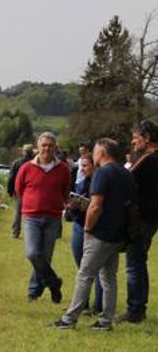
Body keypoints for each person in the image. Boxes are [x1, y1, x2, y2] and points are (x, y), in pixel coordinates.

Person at [54, 139, 137, 330]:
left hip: (100, 233)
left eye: (95, 151)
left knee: (85, 275)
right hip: (119, 234)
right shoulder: (127, 174)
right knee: (109, 278)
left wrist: (88, 229)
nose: (93, 155)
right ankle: (106, 320)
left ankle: (69, 318)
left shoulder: (103, 173)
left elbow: (95, 206)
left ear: (103, 152)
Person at [16, 132, 71, 303]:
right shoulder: (26, 168)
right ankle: (54, 283)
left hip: (53, 217)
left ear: (55, 148)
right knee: (32, 253)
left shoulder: (63, 169)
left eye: (50, 145)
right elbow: (19, 189)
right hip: (32, 216)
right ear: (37, 148)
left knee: (45, 257)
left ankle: (34, 291)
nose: (46, 148)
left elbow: (66, 190)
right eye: (43, 145)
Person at [120, 120, 158, 324]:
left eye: (136, 138)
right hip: (152, 218)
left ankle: (135, 309)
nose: (133, 142)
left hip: (140, 218)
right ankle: (138, 307)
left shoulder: (147, 159)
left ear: (147, 138)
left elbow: (125, 177)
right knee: (139, 262)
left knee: (134, 264)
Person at [68, 154, 103, 316]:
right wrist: (73, 206)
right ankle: (84, 303)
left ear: (95, 166)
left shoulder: (101, 183)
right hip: (78, 226)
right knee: (81, 267)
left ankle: (98, 305)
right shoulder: (81, 184)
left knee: (96, 269)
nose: (82, 169)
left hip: (95, 229)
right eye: (81, 166)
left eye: (86, 166)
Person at [7, 144, 35, 238]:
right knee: (31, 213)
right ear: (31, 152)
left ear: (23, 152)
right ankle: (31, 233)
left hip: (18, 190)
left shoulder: (16, 162)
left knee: (17, 212)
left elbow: (11, 178)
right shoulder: (35, 162)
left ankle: (16, 232)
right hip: (33, 191)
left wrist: (10, 191)